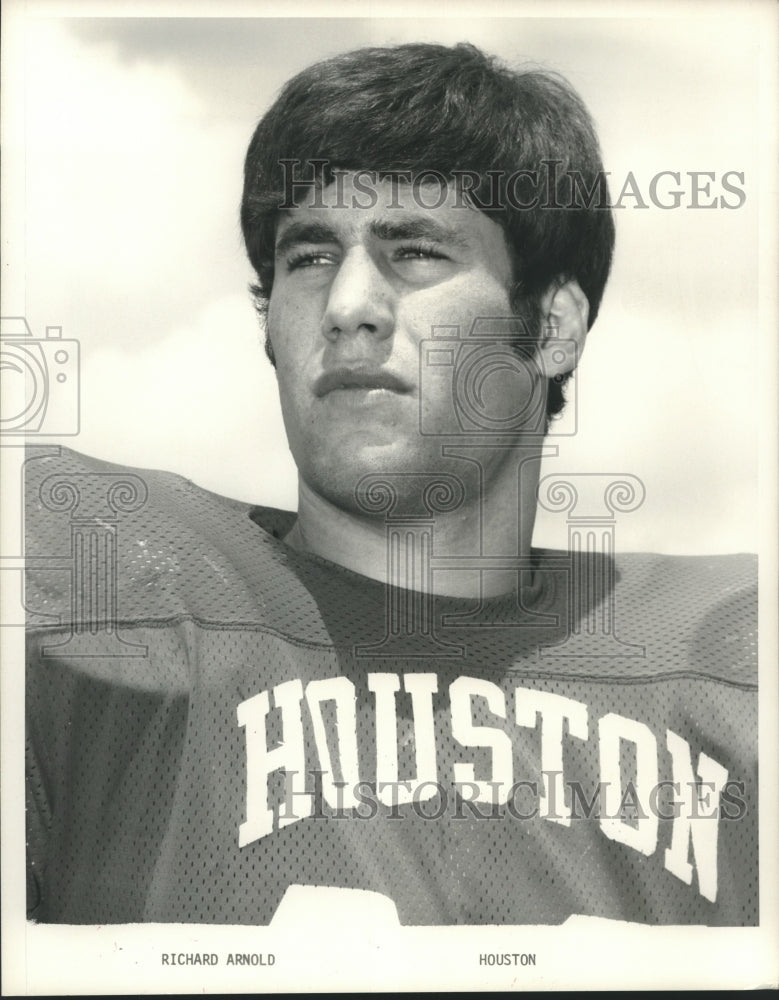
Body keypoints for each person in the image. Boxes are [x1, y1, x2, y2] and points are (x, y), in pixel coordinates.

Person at [24, 41, 757, 926]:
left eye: (413, 252)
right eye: (308, 257)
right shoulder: (98, 587)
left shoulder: (737, 673)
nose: (347, 304)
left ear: (553, 327)